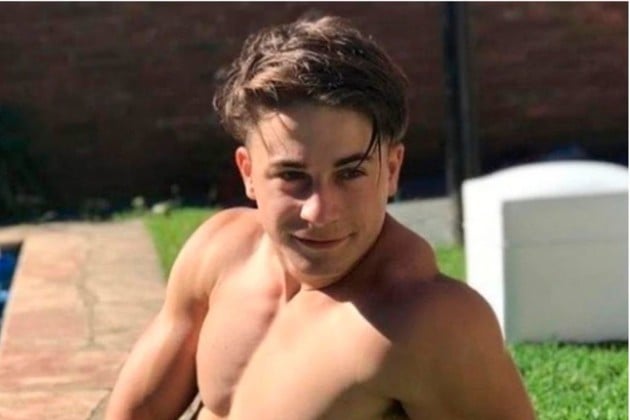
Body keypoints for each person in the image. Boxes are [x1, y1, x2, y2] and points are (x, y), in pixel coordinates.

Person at [106, 15, 536, 420]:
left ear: (391, 170)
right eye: (292, 176)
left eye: (350, 173)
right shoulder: (219, 253)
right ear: (248, 173)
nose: (319, 211)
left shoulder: (428, 321)